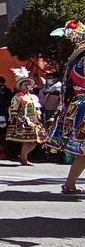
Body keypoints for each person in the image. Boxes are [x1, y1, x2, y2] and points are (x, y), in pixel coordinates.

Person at [47, 20, 85, 193]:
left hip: (79, 106)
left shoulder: (76, 63)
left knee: (84, 153)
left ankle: (69, 184)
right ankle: (69, 185)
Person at [6, 67, 47, 166]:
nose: (28, 86)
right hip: (23, 120)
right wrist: (18, 118)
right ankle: (24, 158)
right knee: (28, 140)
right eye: (25, 84)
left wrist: (39, 117)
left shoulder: (33, 97)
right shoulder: (18, 97)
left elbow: (37, 108)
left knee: (37, 139)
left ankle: (23, 156)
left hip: (34, 120)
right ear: (21, 86)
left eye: (29, 84)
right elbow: (13, 109)